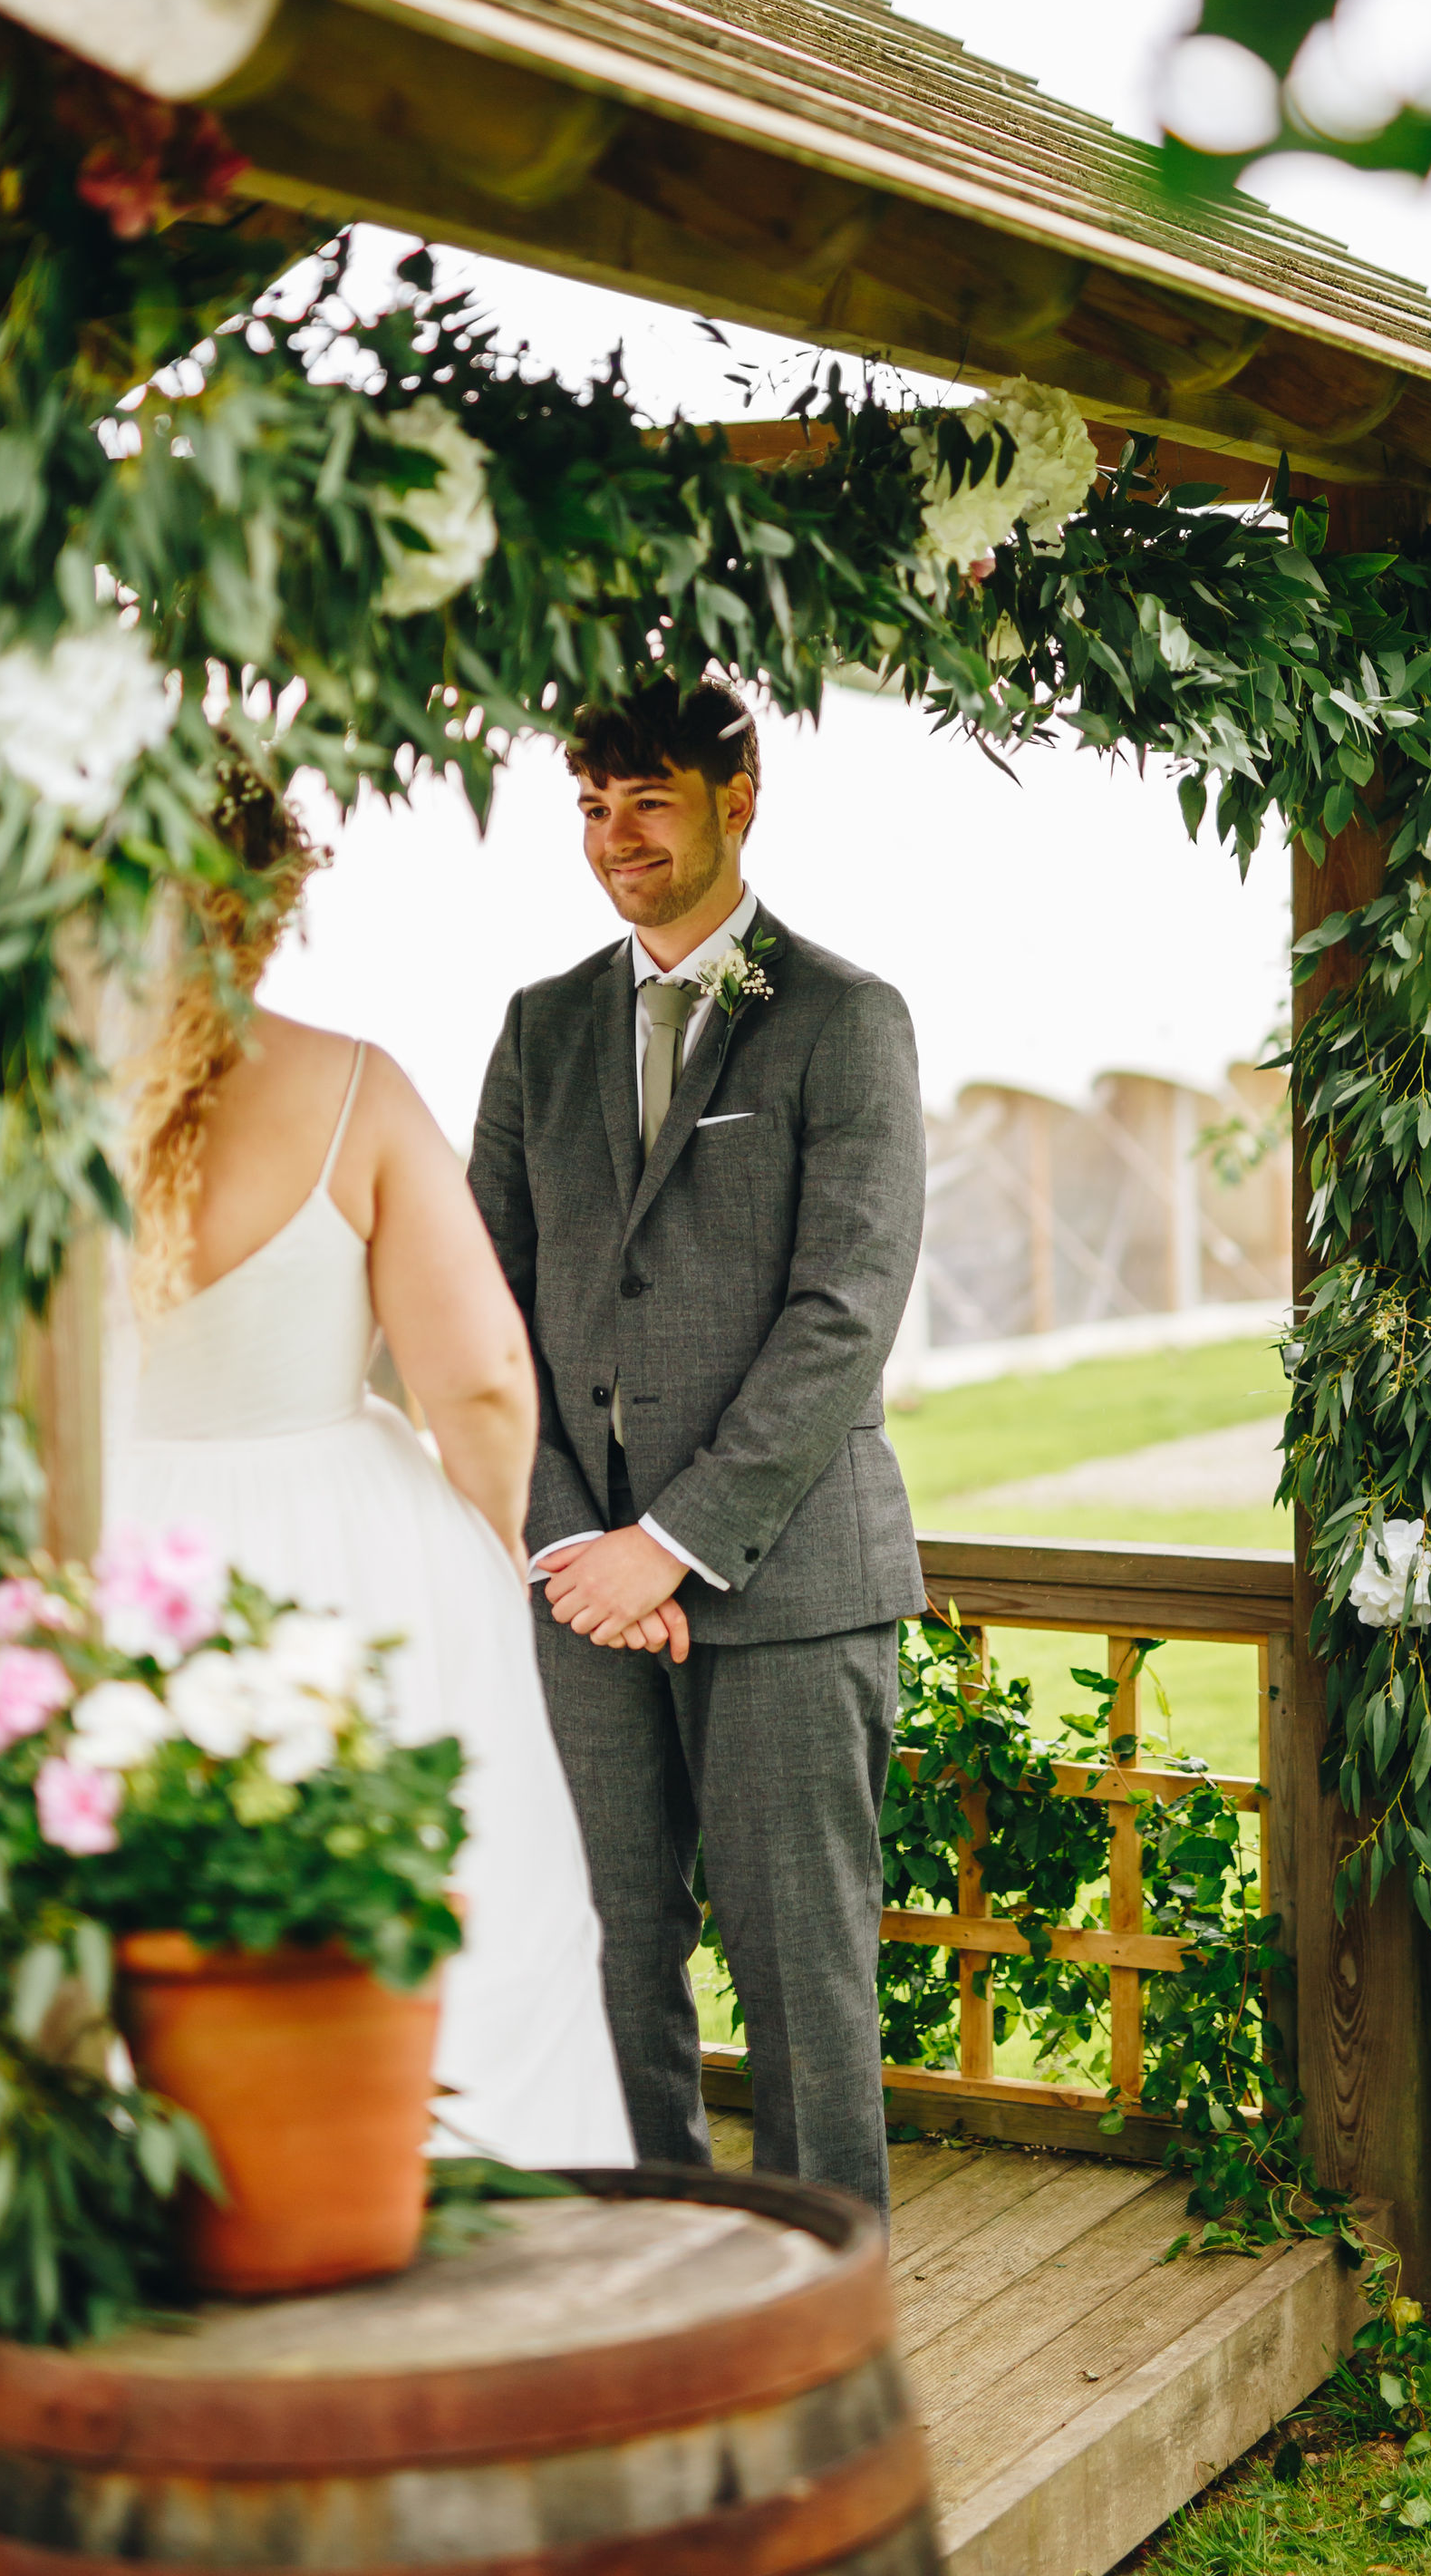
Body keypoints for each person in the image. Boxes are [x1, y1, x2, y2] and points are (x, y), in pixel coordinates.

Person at [107, 768, 632, 2173]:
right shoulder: (354, 1087)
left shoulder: (10, 1101)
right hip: (344, 1556)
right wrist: (480, 1536)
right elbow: (477, 1379)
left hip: (96, 1549)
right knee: (433, 1927)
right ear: (274, 903)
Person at [469, 679, 926, 2221]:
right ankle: (650, 2292)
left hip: (788, 1580)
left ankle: (820, 2326)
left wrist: (666, 1545)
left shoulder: (845, 1020)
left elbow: (843, 1315)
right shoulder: (538, 1029)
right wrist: (568, 1547)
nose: (615, 840)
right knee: (606, 1956)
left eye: (647, 802)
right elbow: (483, 1310)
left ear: (741, 799)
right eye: (592, 807)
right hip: (578, 1591)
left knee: (807, 1978)